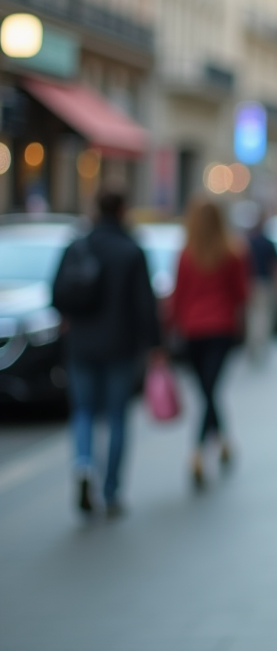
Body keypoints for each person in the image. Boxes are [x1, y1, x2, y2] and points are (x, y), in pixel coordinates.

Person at [52, 188, 162, 518]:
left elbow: (56, 295)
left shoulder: (78, 245)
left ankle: (84, 464)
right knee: (116, 416)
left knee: (83, 411)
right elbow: (146, 305)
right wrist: (156, 346)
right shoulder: (131, 250)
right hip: (120, 346)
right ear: (124, 209)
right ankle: (111, 489)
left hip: (82, 345)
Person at [171, 198, 248, 488]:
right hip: (221, 329)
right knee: (210, 392)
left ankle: (200, 453)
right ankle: (215, 445)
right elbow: (242, 293)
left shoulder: (186, 255)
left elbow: (177, 296)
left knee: (207, 392)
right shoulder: (232, 253)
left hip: (192, 331)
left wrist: (171, 328)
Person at [244, 208, 277, 367]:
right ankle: (259, 344)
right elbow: (276, 267)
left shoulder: (248, 242)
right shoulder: (266, 242)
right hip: (263, 283)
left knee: (253, 316)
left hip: (250, 283)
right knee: (263, 317)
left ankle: (254, 345)